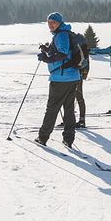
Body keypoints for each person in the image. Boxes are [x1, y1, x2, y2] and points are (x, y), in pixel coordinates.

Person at [35, 12, 82, 147]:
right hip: (72, 77)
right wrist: (48, 49)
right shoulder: (63, 34)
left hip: (61, 78)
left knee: (52, 109)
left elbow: (62, 54)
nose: (50, 25)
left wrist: (46, 59)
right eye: (48, 22)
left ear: (60, 22)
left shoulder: (61, 35)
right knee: (68, 109)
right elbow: (62, 52)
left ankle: (42, 137)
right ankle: (68, 139)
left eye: (53, 22)